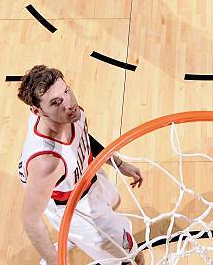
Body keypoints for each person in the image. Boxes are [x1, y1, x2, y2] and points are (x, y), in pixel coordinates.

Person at [17, 66, 145, 265]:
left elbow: (83, 138)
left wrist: (118, 163)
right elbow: (30, 220)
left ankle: (71, 237)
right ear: (37, 111)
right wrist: (56, 261)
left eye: (66, 91)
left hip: (87, 175)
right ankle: (67, 240)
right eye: (56, 102)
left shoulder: (69, 114)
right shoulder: (48, 162)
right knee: (132, 259)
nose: (69, 104)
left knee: (114, 202)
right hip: (73, 205)